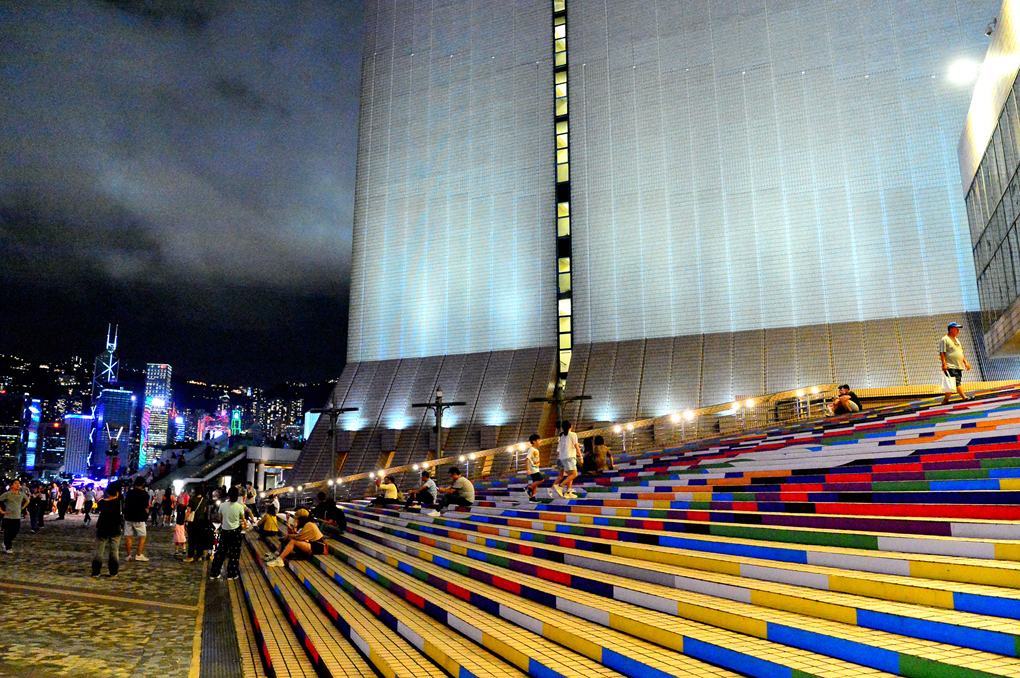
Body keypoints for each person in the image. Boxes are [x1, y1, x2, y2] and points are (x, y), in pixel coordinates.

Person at [209, 486, 253, 580]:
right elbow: (242, 519)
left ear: (228, 495)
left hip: (225, 531)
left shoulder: (222, 505)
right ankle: (231, 574)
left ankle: (214, 573)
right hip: (235, 532)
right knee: (234, 553)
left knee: (220, 552)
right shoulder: (239, 507)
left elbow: (220, 518)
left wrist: (224, 523)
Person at [91, 482, 123, 577]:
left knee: (99, 550)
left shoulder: (102, 503)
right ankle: (113, 571)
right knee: (114, 550)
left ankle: (96, 571)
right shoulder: (119, 502)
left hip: (103, 528)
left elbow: (96, 507)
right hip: (115, 528)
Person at [940, 322, 972, 404]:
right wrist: (944, 364)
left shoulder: (957, 340)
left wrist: (966, 362)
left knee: (952, 384)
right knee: (956, 382)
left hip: (958, 365)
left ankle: (945, 400)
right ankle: (964, 397)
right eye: (956, 329)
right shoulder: (945, 339)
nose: (958, 331)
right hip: (951, 365)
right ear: (951, 329)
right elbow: (942, 353)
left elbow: (960, 353)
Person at [123, 477, 151, 562]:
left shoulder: (129, 493)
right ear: (143, 484)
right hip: (139, 517)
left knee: (129, 536)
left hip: (129, 517)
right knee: (142, 536)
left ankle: (128, 555)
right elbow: (146, 506)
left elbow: (125, 504)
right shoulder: (145, 494)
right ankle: (139, 554)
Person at [552, 420, 580, 499]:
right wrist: (580, 456)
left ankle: (568, 492)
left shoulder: (562, 436)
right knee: (574, 474)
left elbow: (559, 449)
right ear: (571, 426)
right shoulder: (573, 434)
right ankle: (560, 486)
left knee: (570, 475)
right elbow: (576, 445)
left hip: (563, 458)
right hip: (570, 457)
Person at [0, 480, 29, 553]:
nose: (17, 485)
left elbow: (27, 500)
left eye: (18, 483)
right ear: (12, 485)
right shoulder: (7, 494)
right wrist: (1, 511)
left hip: (17, 516)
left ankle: (6, 543)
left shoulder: (21, 494)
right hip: (8, 516)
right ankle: (8, 547)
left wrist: (22, 508)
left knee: (15, 531)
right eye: (15, 483)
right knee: (8, 532)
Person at [185, 487, 213, 562]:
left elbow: (188, 510)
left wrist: (185, 520)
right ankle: (199, 555)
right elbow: (205, 511)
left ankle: (190, 556)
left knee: (192, 539)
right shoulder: (205, 500)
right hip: (202, 521)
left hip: (193, 522)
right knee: (200, 539)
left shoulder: (192, 500)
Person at [524, 435, 545, 500]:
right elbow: (527, 459)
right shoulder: (531, 449)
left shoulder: (536, 450)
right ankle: (529, 487)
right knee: (541, 480)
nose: (540, 441)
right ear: (534, 441)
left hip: (536, 468)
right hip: (533, 469)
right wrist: (528, 469)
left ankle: (533, 497)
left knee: (535, 483)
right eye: (538, 440)